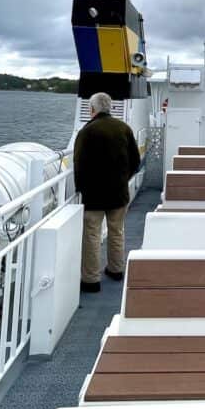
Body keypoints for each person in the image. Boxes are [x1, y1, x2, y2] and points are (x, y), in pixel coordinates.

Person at [73, 91, 141, 293]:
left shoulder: (87, 131)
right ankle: (116, 270)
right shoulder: (124, 128)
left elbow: (79, 164)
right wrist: (122, 179)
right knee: (117, 231)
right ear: (109, 107)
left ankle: (91, 281)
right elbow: (135, 161)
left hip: (94, 195)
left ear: (92, 109)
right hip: (119, 194)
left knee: (92, 236)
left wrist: (82, 190)